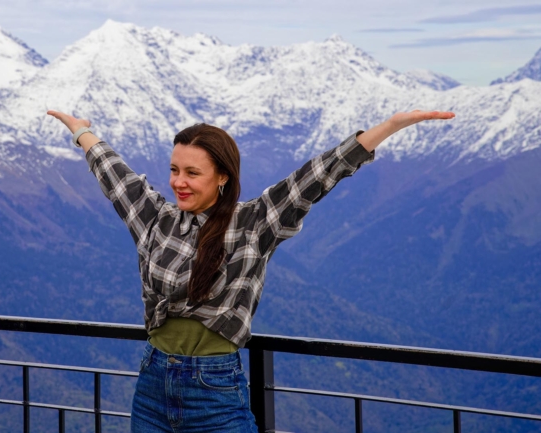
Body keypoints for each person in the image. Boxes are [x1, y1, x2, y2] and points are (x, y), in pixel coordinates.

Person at [47, 109, 455, 432]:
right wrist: (82, 132)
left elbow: (315, 177)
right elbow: (113, 174)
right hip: (152, 384)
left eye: (192, 173)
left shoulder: (253, 223)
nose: (178, 182)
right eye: (174, 170)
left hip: (214, 389)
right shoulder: (156, 218)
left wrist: (389, 126)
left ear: (222, 177)